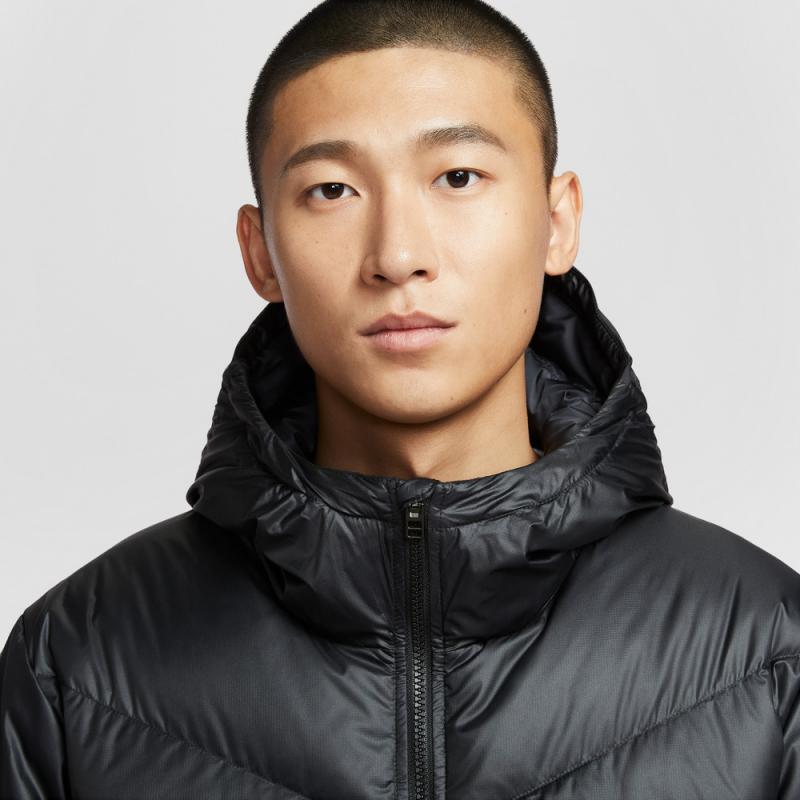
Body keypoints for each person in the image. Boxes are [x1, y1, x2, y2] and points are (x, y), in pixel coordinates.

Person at [1, 0, 799, 797]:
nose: (398, 254)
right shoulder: (76, 664)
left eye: (458, 177)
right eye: (332, 190)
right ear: (260, 252)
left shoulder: (768, 651)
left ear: (557, 222)